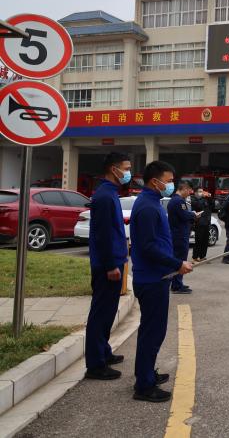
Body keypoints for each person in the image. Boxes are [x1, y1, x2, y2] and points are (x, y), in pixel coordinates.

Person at [130, 161, 193, 402]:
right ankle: (144, 386)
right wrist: (177, 264)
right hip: (151, 278)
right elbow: (148, 247)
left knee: (154, 331)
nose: (171, 185)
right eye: (168, 181)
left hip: (157, 276)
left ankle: (146, 374)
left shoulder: (153, 202)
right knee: (152, 332)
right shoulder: (147, 207)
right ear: (154, 181)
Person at [84, 152, 131, 381]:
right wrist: (111, 264)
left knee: (108, 312)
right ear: (114, 169)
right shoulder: (104, 196)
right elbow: (103, 234)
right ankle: (95, 364)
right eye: (126, 168)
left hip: (113, 261)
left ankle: (104, 351)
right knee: (101, 313)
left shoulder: (110, 193)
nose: (128, 173)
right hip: (106, 266)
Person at [167, 180, 198, 294]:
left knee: (179, 259)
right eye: (189, 191)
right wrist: (193, 214)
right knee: (180, 260)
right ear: (184, 189)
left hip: (178, 234)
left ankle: (177, 283)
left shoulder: (175, 200)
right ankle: (176, 286)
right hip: (179, 235)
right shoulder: (179, 201)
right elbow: (184, 216)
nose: (190, 193)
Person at [190, 186, 213, 262]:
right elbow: (198, 206)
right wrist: (203, 198)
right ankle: (195, 257)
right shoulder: (193, 199)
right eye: (200, 191)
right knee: (198, 241)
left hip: (206, 223)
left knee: (205, 241)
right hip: (199, 224)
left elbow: (211, 206)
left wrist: (209, 198)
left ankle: (202, 256)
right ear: (195, 193)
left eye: (202, 191)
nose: (202, 193)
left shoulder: (205, 199)